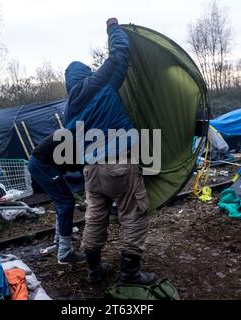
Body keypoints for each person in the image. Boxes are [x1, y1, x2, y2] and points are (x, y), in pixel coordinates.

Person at [63, 18, 155, 285]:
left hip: (91, 170)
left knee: (95, 216)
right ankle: (130, 274)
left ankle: (93, 269)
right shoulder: (97, 83)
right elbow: (119, 55)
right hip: (118, 163)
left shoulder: (69, 107)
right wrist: (113, 29)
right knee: (132, 213)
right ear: (86, 74)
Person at [27, 130, 85, 264]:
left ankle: (60, 241)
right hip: (42, 165)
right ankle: (64, 253)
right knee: (66, 202)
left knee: (63, 201)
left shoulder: (76, 132)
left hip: (43, 164)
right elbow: (81, 166)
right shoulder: (78, 137)